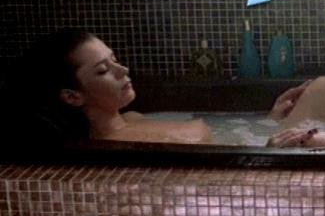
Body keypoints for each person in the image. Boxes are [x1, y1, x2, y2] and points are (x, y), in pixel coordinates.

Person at [2, 29, 213, 145]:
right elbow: (198, 135)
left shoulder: (131, 118)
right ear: (72, 96)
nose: (123, 70)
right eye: (103, 70)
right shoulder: (113, 144)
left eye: (114, 60)